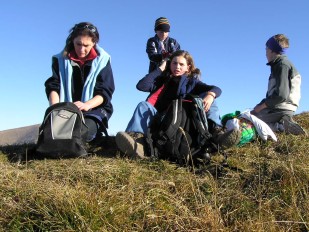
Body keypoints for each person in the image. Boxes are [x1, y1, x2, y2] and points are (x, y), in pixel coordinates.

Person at [116, 50, 241, 158]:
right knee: (143, 105)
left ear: (188, 67)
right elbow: (141, 85)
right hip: (161, 119)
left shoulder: (192, 82)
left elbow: (216, 88)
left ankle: (217, 133)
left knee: (210, 98)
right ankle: (137, 142)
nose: (177, 67)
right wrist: (160, 68)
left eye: (181, 64)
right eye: (174, 63)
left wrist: (211, 95)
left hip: (181, 122)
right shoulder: (161, 81)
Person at [45, 22, 115, 142]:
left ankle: (93, 133)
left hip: (94, 109)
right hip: (66, 110)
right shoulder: (60, 60)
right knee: (52, 134)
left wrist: (87, 105)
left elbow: (104, 92)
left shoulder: (103, 61)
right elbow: (54, 86)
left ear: (94, 43)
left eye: (86, 45)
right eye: (78, 44)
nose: (82, 50)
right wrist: (56, 109)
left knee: (78, 134)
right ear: (72, 40)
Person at [251, 34, 307, 135]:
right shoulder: (280, 64)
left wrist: (260, 107)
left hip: (281, 107)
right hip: (282, 107)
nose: (265, 53)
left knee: (251, 120)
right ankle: (282, 122)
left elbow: (281, 95)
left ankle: (281, 127)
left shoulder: (282, 65)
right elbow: (274, 94)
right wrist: (259, 105)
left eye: (266, 49)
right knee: (253, 113)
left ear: (272, 50)